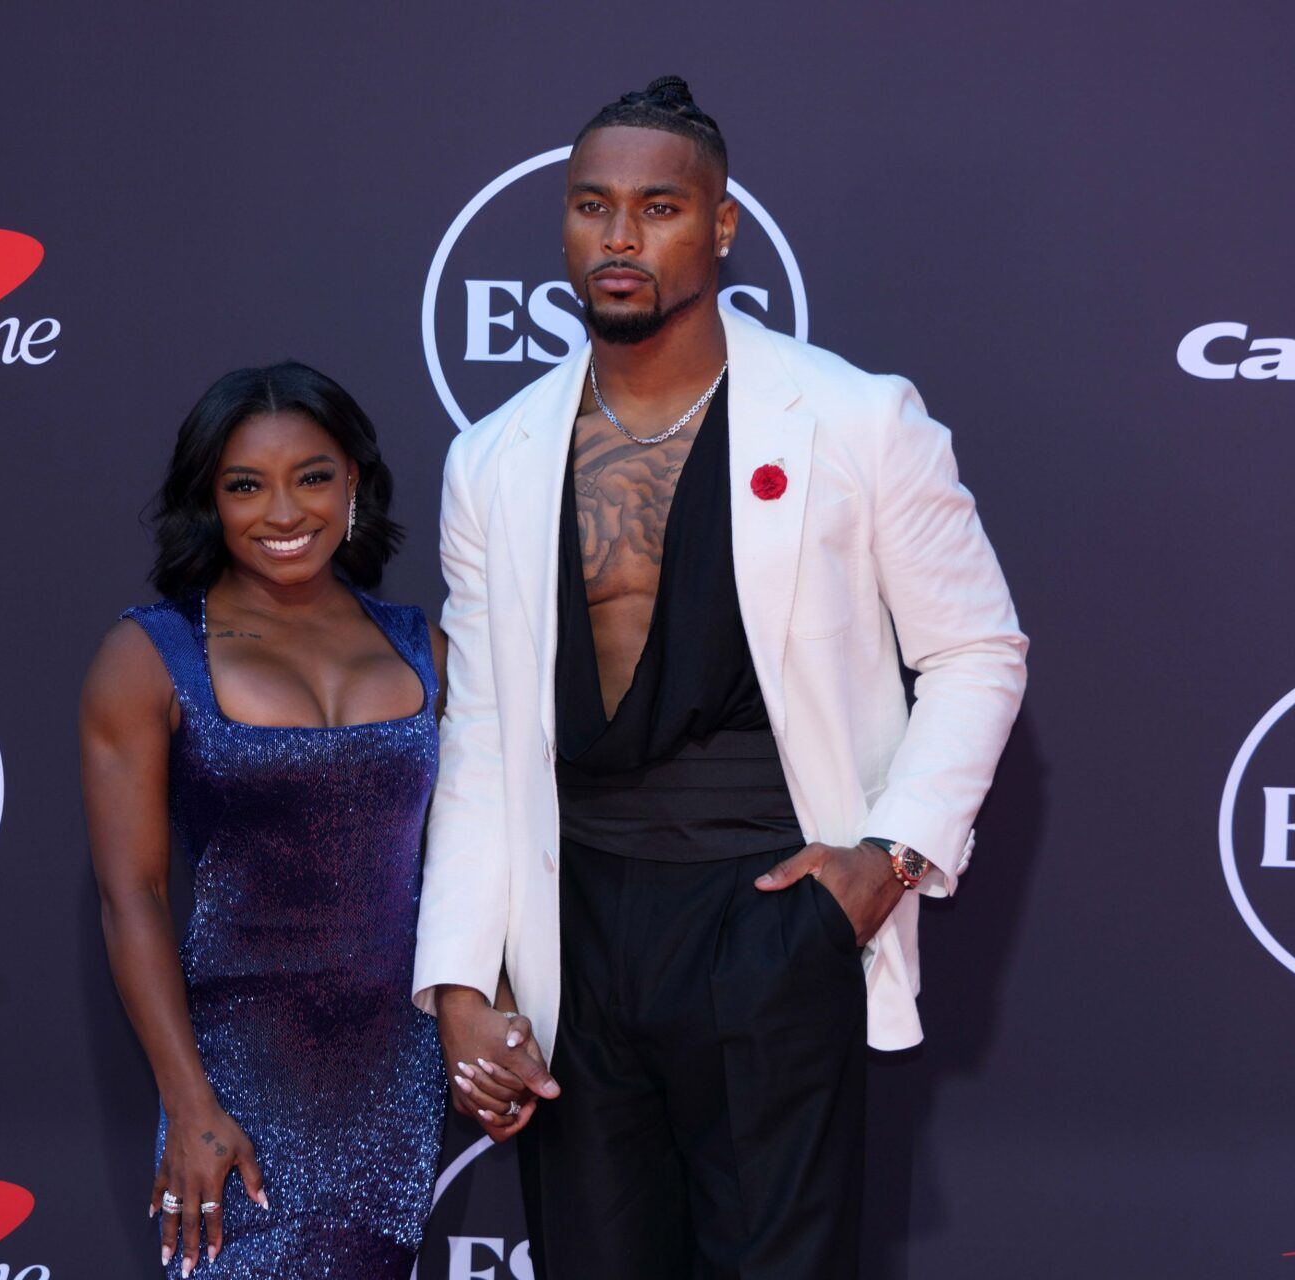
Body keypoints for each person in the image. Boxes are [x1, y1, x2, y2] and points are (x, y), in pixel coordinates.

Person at [412, 77, 1028, 1278]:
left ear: (723, 224)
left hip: (767, 913)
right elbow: (483, 738)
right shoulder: (493, 457)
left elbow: (977, 649)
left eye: (659, 206)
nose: (623, 237)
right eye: (593, 207)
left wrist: (888, 857)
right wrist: (460, 978)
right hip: (572, 925)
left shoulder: (855, 420)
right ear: (564, 226)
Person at [80, 362, 445, 1278]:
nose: (284, 513)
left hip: (392, 1069)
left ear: (354, 480)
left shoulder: (426, 644)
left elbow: (472, 862)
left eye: (311, 477)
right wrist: (188, 1100)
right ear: (210, 498)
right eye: (247, 485)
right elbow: (133, 896)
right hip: (238, 1068)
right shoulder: (149, 655)